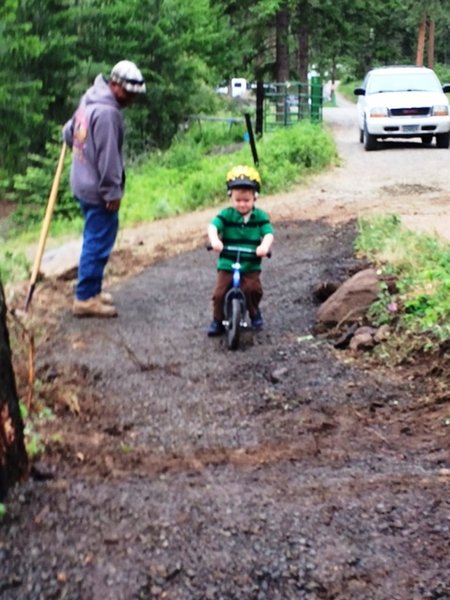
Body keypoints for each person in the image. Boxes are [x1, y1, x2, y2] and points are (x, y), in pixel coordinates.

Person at [63, 60, 146, 318]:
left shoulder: (89, 99)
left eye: (135, 94)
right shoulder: (108, 113)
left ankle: (93, 290)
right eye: (128, 93)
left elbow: (68, 132)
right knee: (97, 242)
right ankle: (85, 298)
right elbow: (109, 159)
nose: (131, 99)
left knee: (95, 238)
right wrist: (113, 193)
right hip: (98, 191)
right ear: (114, 84)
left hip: (81, 183)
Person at [207, 165, 274, 336]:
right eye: (238, 200)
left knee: (253, 290)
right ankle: (217, 320)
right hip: (228, 261)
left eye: (246, 200)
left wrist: (264, 247)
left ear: (255, 198)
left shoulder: (260, 216)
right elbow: (213, 226)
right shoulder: (227, 214)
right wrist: (215, 240)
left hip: (250, 262)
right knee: (219, 293)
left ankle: (253, 311)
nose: (242, 204)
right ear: (231, 198)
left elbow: (268, 233)